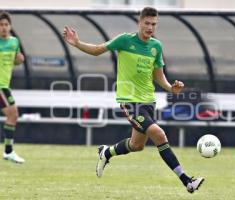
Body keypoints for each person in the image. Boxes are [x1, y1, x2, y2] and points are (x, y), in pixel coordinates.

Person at [63, 7, 204, 193]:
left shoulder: (156, 47)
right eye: (147, 23)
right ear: (139, 23)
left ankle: (106, 152)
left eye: (154, 24)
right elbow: (97, 50)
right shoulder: (125, 40)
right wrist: (77, 43)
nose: (150, 27)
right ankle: (187, 181)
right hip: (129, 101)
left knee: (137, 145)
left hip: (148, 102)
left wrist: (171, 88)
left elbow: (159, 76)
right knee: (159, 135)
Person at [0, 11, 25, 163]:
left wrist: (19, 60)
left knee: (12, 114)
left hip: (4, 85)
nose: (3, 27)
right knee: (13, 113)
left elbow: (17, 59)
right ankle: (8, 152)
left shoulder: (14, 42)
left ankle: (8, 151)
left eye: (6, 25)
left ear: (10, 26)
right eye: (1, 25)